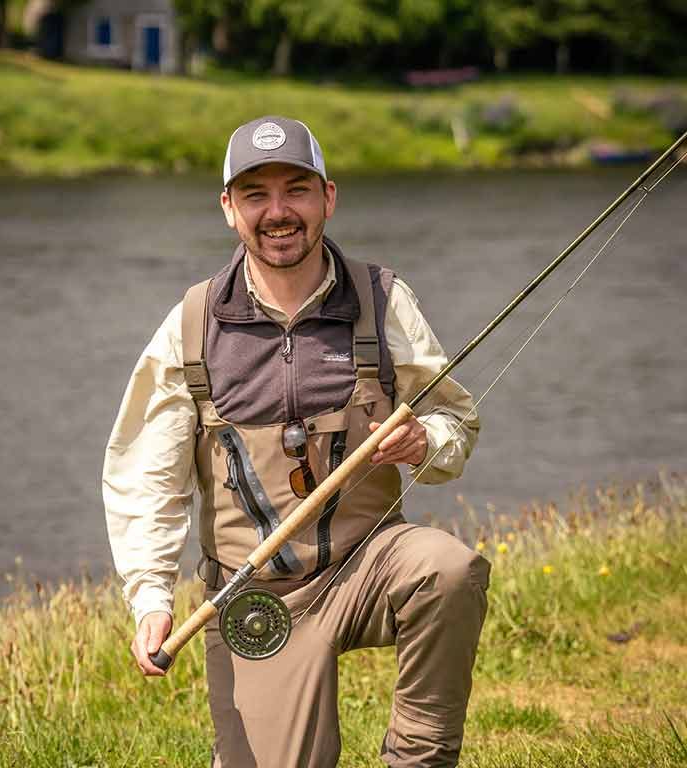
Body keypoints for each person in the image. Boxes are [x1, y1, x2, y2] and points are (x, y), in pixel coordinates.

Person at [103, 115, 490, 768]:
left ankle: (420, 760)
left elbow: (458, 426)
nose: (278, 212)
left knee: (448, 570)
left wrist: (425, 442)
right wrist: (151, 599)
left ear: (328, 198)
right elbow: (148, 480)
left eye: (296, 190)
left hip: (370, 565)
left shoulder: (383, 302)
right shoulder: (190, 325)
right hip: (254, 600)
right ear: (229, 208)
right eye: (256, 193)